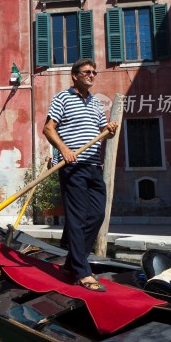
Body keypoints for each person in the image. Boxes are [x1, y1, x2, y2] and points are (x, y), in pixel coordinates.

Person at [43, 58, 118, 292]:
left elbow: (100, 134)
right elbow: (48, 128)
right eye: (87, 72)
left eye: (94, 72)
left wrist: (109, 132)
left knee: (96, 215)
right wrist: (64, 149)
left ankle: (71, 264)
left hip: (93, 165)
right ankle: (82, 271)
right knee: (77, 217)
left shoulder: (96, 103)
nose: (92, 75)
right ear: (75, 75)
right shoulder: (62, 98)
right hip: (72, 166)